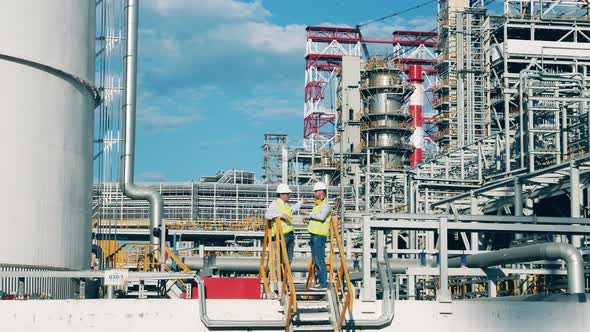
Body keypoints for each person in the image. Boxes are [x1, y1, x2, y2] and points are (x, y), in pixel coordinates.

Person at [302, 181, 332, 290]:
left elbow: (321, 217)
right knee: (315, 259)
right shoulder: (317, 205)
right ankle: (321, 282)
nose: (314, 194)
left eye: (315, 191)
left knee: (319, 259)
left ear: (321, 192)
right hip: (314, 235)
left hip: (319, 236)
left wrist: (308, 214)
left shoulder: (326, 205)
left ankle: (323, 283)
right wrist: (309, 218)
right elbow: (316, 218)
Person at [264, 183, 304, 264]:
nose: (289, 196)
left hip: (290, 235)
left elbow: (293, 209)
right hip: (281, 235)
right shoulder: (275, 204)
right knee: (281, 259)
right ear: (282, 194)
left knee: (288, 260)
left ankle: (285, 276)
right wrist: (281, 215)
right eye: (287, 194)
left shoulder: (286, 205)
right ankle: (281, 276)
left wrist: (301, 202)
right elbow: (267, 215)